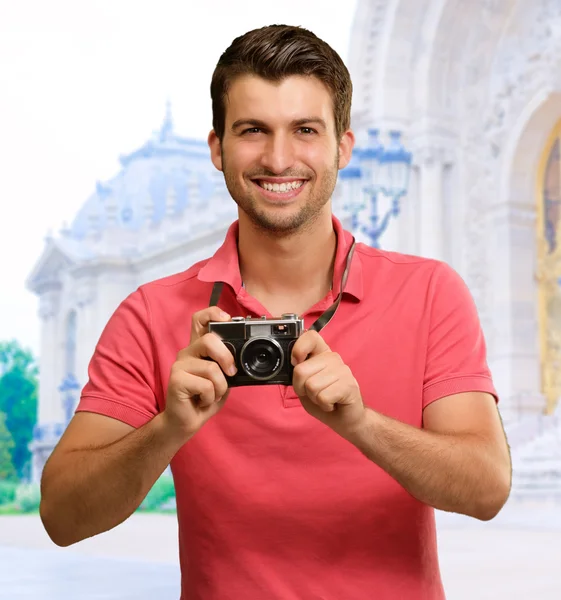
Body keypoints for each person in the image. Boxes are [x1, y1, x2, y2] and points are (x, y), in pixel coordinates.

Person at [39, 24, 512, 600]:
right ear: (217, 148)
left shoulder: (431, 292)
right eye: (252, 131)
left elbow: (487, 488)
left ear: (343, 146)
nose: (279, 157)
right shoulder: (148, 314)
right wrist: (169, 428)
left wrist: (360, 424)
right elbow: (62, 519)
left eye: (305, 130)